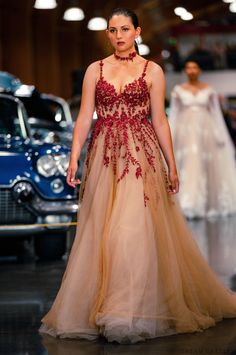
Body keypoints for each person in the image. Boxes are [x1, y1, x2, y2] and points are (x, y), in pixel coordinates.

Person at [39, 9, 236, 344]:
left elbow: (159, 120)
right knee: (102, 228)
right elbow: (85, 116)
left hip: (139, 154)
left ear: (137, 31)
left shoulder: (152, 71)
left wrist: (172, 165)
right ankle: (104, 306)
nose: (118, 36)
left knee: (130, 228)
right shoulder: (95, 70)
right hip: (103, 155)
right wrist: (74, 158)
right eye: (113, 30)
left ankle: (128, 309)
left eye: (125, 29)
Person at [169, 60, 236, 219]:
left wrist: (221, 135)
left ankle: (207, 203)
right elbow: (174, 114)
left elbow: (216, 114)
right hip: (185, 132)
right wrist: (171, 135)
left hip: (207, 131)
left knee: (207, 164)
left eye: (194, 67)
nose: (191, 70)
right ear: (185, 71)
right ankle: (188, 203)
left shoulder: (209, 90)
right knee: (189, 162)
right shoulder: (178, 90)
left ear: (199, 70)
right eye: (188, 68)